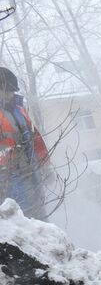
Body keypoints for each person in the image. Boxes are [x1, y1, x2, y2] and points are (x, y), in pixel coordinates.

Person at [0, 67, 49, 220]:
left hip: (32, 176)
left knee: (41, 221)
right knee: (20, 225)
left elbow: (36, 139)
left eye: (12, 91)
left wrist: (46, 164)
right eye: (6, 90)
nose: (10, 94)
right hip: (8, 183)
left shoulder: (20, 110)